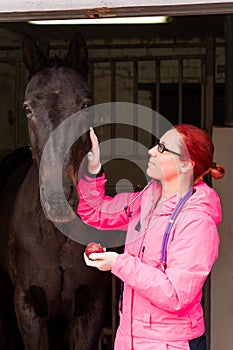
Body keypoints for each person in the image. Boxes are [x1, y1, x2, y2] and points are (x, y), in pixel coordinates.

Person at [77, 124, 225, 350]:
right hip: (129, 338)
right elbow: (94, 211)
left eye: (163, 148)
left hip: (170, 343)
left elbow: (176, 294)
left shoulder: (197, 221)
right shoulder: (148, 199)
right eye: (157, 144)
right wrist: (93, 167)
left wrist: (118, 263)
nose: (151, 151)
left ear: (186, 165)